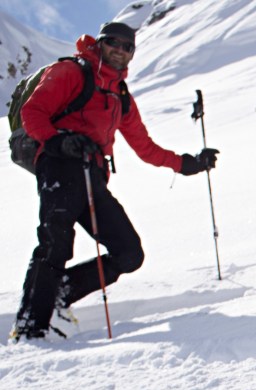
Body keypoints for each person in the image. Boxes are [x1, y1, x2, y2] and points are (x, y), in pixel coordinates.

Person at [11, 21, 219, 341]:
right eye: (114, 43)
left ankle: (58, 293)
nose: (119, 51)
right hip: (59, 167)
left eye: (127, 47)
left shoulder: (120, 96)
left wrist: (188, 164)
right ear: (101, 43)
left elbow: (145, 147)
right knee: (55, 245)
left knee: (129, 253)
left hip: (93, 176)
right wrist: (56, 141)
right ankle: (30, 327)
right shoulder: (71, 72)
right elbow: (33, 111)